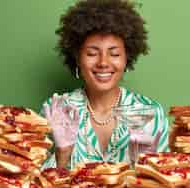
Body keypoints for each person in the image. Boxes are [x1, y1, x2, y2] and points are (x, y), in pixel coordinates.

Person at [40, 0, 169, 170]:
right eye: (92, 53)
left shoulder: (150, 112)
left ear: (126, 58)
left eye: (114, 54)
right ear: (77, 58)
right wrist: (62, 154)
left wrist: (147, 167)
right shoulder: (57, 110)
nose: (103, 63)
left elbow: (164, 187)